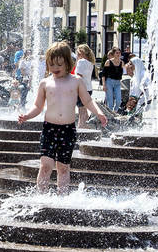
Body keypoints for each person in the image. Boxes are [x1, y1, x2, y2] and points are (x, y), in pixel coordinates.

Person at [18, 41, 107, 194]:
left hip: (68, 130)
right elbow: (38, 106)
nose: (55, 68)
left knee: (63, 167)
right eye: (51, 65)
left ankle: (62, 197)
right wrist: (27, 115)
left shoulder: (76, 81)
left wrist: (98, 112)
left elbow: (87, 100)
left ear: (68, 62)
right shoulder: (45, 83)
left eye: (59, 64)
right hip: (49, 129)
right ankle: (41, 196)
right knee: (45, 165)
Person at [75, 44, 96, 128]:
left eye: (77, 53)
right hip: (89, 88)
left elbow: (78, 76)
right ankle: (85, 125)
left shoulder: (81, 61)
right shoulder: (90, 62)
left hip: (81, 88)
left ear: (81, 53)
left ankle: (81, 126)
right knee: (84, 108)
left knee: (81, 109)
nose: (77, 55)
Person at [101, 47, 124, 112]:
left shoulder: (122, 62)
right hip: (109, 82)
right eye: (117, 53)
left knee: (119, 101)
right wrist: (104, 85)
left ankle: (114, 112)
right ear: (113, 54)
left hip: (117, 83)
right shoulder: (108, 62)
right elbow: (103, 74)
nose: (118, 54)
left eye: (119, 53)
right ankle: (110, 117)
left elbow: (122, 74)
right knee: (110, 102)